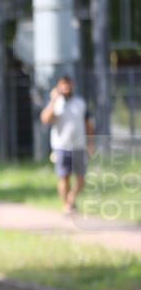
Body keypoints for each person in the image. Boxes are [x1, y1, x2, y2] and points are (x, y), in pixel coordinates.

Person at [40, 75, 95, 215]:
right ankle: (67, 206)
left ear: (72, 86)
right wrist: (53, 100)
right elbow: (45, 119)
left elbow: (88, 124)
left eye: (68, 84)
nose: (66, 88)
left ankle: (70, 199)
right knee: (64, 177)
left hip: (78, 146)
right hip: (61, 146)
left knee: (81, 179)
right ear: (59, 87)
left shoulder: (80, 103)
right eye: (63, 85)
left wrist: (91, 143)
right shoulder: (56, 104)